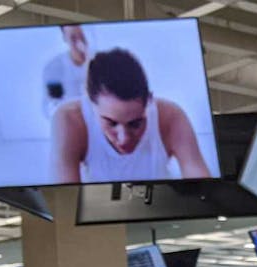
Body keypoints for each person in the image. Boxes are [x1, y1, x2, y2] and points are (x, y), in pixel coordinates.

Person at [50, 47, 212, 183]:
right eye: (111, 123)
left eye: (135, 124)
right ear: (91, 104)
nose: (124, 138)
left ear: (149, 101)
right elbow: (65, 196)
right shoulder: (70, 119)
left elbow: (203, 186)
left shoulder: (170, 117)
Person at [42, 25, 91, 118]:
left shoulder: (103, 62)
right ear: (65, 38)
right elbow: (52, 107)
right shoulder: (54, 69)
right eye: (73, 38)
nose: (80, 44)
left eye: (83, 36)